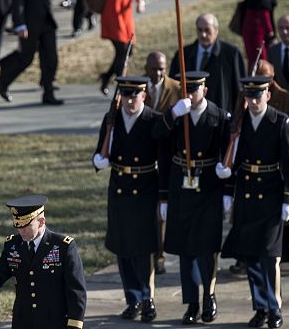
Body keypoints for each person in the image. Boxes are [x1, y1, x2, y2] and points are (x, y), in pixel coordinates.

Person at [152, 71, 231, 324]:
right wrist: (172, 114)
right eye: (186, 90)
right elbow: (158, 141)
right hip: (180, 188)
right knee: (186, 249)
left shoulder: (218, 117)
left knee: (206, 248)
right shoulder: (177, 116)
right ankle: (192, 303)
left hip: (208, 186)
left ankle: (209, 297)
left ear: (205, 91)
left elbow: (228, 152)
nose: (189, 95)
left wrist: (228, 190)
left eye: (194, 91)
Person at [220, 76, 289, 329]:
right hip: (247, 194)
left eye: (258, 96)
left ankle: (274, 307)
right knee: (251, 257)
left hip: (271, 195)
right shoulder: (239, 123)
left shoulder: (280, 122)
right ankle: (260, 307)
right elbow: (235, 160)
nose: (253, 101)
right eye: (249, 96)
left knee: (270, 257)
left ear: (267, 95)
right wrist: (228, 191)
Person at [92, 76, 161, 322]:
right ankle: (132, 299)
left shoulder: (153, 120)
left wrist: (163, 198)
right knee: (123, 246)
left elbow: (162, 158)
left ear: (144, 95)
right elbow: (101, 150)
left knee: (142, 248)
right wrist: (98, 161)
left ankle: (147, 297)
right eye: (127, 95)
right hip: (120, 188)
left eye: (136, 95)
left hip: (145, 188)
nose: (131, 101)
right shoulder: (112, 119)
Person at [0, 195, 86, 329]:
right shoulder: (12, 245)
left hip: (54, 323)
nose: (21, 231)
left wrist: (74, 325)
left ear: (41, 222)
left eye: (26, 226)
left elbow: (76, 292)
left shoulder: (63, 246)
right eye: (18, 226)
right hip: (23, 322)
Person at [0, 0, 63, 105]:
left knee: (51, 59)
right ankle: (3, 80)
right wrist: (19, 25)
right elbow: (17, 3)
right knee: (26, 58)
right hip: (30, 25)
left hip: (47, 23)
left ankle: (48, 93)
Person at [143, 51, 182, 276]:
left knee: (162, 210)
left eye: (162, 68)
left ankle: (160, 256)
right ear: (146, 68)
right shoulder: (138, 87)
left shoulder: (176, 88)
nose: (158, 72)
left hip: (166, 155)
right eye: (154, 68)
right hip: (144, 155)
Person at [171, 13, 246, 113]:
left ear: (216, 30)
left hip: (220, 117)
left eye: (207, 30)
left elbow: (239, 89)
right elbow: (174, 86)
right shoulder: (184, 54)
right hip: (190, 116)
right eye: (200, 30)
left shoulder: (231, 54)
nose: (203, 34)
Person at [98, 0, 145, 94]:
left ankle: (106, 78)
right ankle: (121, 84)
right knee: (122, 50)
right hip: (113, 16)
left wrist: (140, 1)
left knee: (128, 50)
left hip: (126, 17)